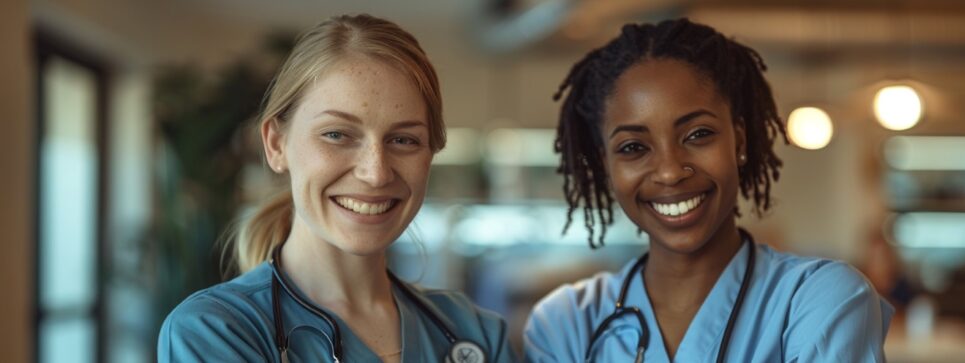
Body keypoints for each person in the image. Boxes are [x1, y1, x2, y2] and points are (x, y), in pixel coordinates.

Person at [523, 18, 892, 362]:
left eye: (698, 135)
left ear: (740, 141)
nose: (669, 172)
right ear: (606, 166)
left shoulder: (820, 299)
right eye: (633, 147)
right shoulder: (564, 324)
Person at [158, 14, 515, 363]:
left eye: (404, 139)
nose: (376, 173)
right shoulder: (216, 331)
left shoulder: (476, 334)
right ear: (276, 145)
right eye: (337, 135)